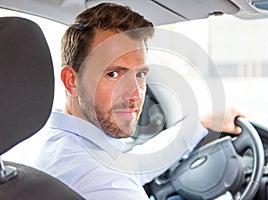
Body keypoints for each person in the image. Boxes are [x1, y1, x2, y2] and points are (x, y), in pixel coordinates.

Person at [3, 3, 244, 199]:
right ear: (70, 81)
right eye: (113, 74)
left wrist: (199, 124)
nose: (135, 94)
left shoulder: (39, 142)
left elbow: (130, 166)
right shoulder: (107, 186)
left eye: (140, 74)